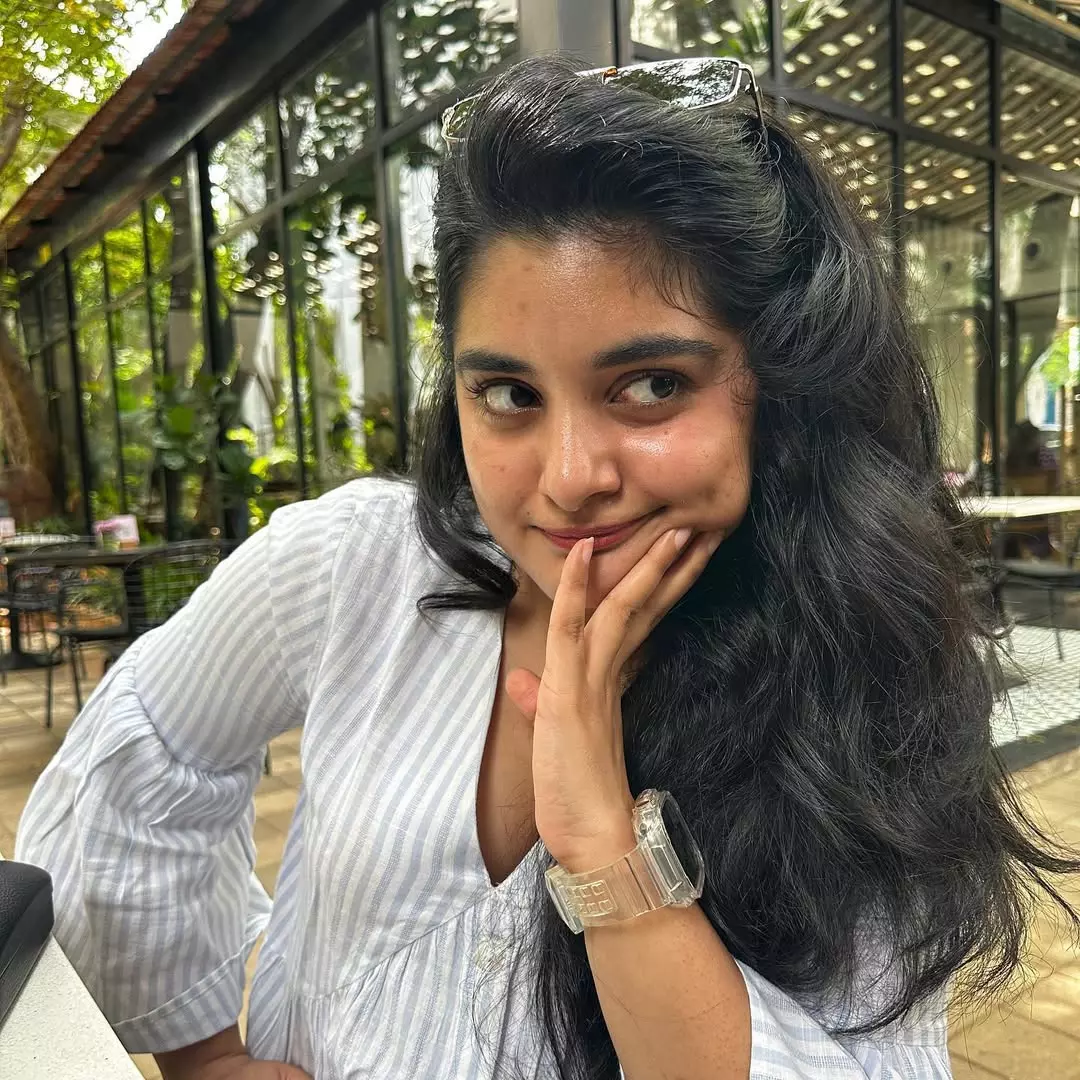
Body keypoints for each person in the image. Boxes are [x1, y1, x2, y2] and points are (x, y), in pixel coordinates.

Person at [16, 56, 1080, 1080]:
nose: (570, 479)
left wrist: (607, 845)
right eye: (510, 395)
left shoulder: (855, 672)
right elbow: (146, 749)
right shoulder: (355, 568)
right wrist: (201, 1052)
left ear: (787, 386)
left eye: (651, 385)